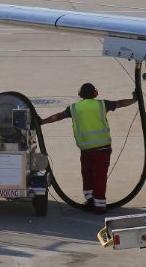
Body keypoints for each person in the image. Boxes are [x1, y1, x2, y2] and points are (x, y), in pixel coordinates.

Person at [40, 83, 137, 214]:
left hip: (85, 149)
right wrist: (134, 100)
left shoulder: (74, 108)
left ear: (80, 95)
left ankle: (90, 200)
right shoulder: (102, 104)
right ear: (95, 94)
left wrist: (42, 121)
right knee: (100, 176)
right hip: (102, 149)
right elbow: (120, 103)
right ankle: (99, 205)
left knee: (87, 174)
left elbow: (58, 116)